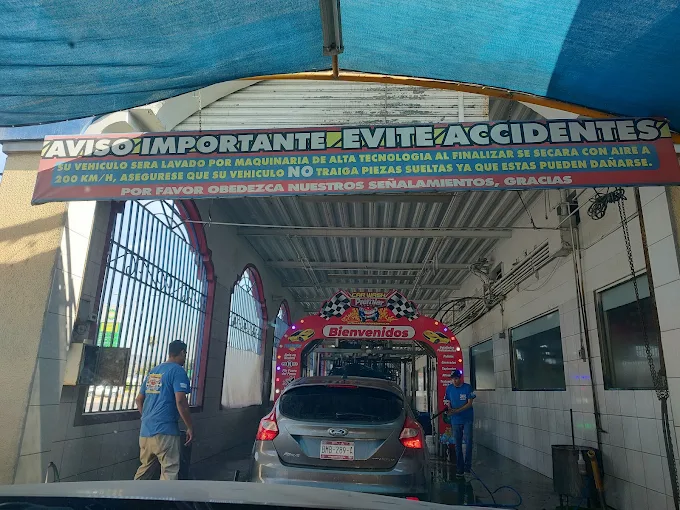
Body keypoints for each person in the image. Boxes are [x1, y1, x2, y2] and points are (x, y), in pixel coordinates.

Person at [134, 340, 194, 480]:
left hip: (145, 431)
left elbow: (139, 399)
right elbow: (180, 400)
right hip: (166, 432)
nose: (185, 358)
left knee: (145, 470)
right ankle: (166, 496)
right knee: (169, 471)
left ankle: (134, 493)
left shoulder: (154, 372)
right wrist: (190, 427)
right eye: (185, 354)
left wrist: (148, 418)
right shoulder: (177, 371)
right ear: (182, 352)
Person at [445, 369, 475, 479]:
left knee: (468, 443)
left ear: (460, 378)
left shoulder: (467, 388)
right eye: (453, 379)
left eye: (456, 378)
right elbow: (447, 401)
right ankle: (460, 468)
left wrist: (457, 410)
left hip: (467, 419)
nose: (454, 381)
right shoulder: (449, 388)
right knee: (457, 444)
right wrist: (449, 408)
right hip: (455, 420)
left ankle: (467, 468)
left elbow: (470, 403)